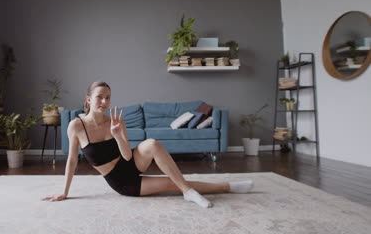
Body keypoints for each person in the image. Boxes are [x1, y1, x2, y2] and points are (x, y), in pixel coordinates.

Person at [42, 81, 254, 208]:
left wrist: (117, 134)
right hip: (120, 180)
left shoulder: (116, 121)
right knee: (173, 183)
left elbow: (126, 156)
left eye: (108, 97)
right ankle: (228, 187)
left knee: (152, 143)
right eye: (99, 97)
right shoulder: (76, 126)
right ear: (88, 99)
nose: (104, 102)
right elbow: (71, 161)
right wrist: (65, 192)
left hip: (130, 162)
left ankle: (190, 192)